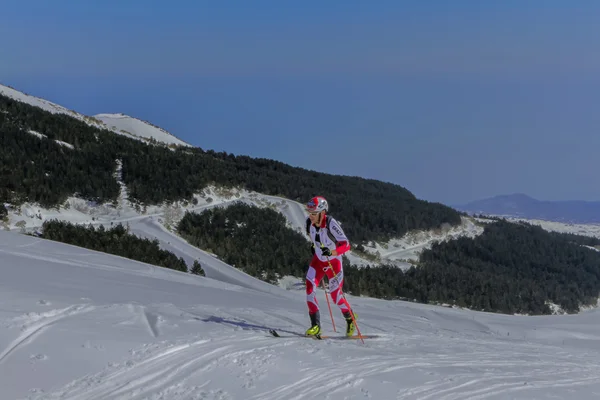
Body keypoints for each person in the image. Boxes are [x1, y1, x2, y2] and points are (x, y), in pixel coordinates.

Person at [304, 195, 357, 337]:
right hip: (318, 262)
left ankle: (350, 317)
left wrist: (332, 252)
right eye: (309, 213)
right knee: (309, 289)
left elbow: (346, 244)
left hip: (333, 263)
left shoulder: (330, 223)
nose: (311, 216)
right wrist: (314, 247)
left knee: (336, 296)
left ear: (322, 212)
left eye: (314, 214)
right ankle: (315, 326)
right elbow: (314, 238)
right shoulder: (309, 223)